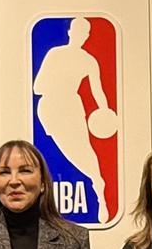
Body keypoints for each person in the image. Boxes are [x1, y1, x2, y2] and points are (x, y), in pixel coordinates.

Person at [33, 16, 111, 222]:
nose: (80, 36)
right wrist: (57, 82)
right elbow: (37, 86)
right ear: (70, 32)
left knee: (84, 150)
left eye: (84, 33)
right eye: (77, 31)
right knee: (64, 153)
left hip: (71, 106)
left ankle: (100, 190)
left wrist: (105, 112)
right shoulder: (54, 54)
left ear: (86, 36)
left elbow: (98, 91)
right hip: (50, 107)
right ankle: (94, 185)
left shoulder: (89, 60)